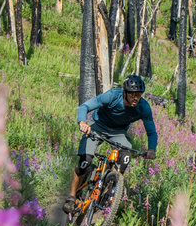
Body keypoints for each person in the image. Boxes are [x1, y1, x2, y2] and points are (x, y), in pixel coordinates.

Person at [62, 74, 157, 215]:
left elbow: (151, 132)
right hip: (97, 127)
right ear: (125, 92)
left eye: (139, 94)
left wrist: (151, 149)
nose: (136, 98)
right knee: (85, 162)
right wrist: (82, 122)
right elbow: (85, 106)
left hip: (118, 133)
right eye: (132, 94)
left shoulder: (143, 107)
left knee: (125, 157)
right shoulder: (112, 96)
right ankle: (71, 197)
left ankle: (108, 191)